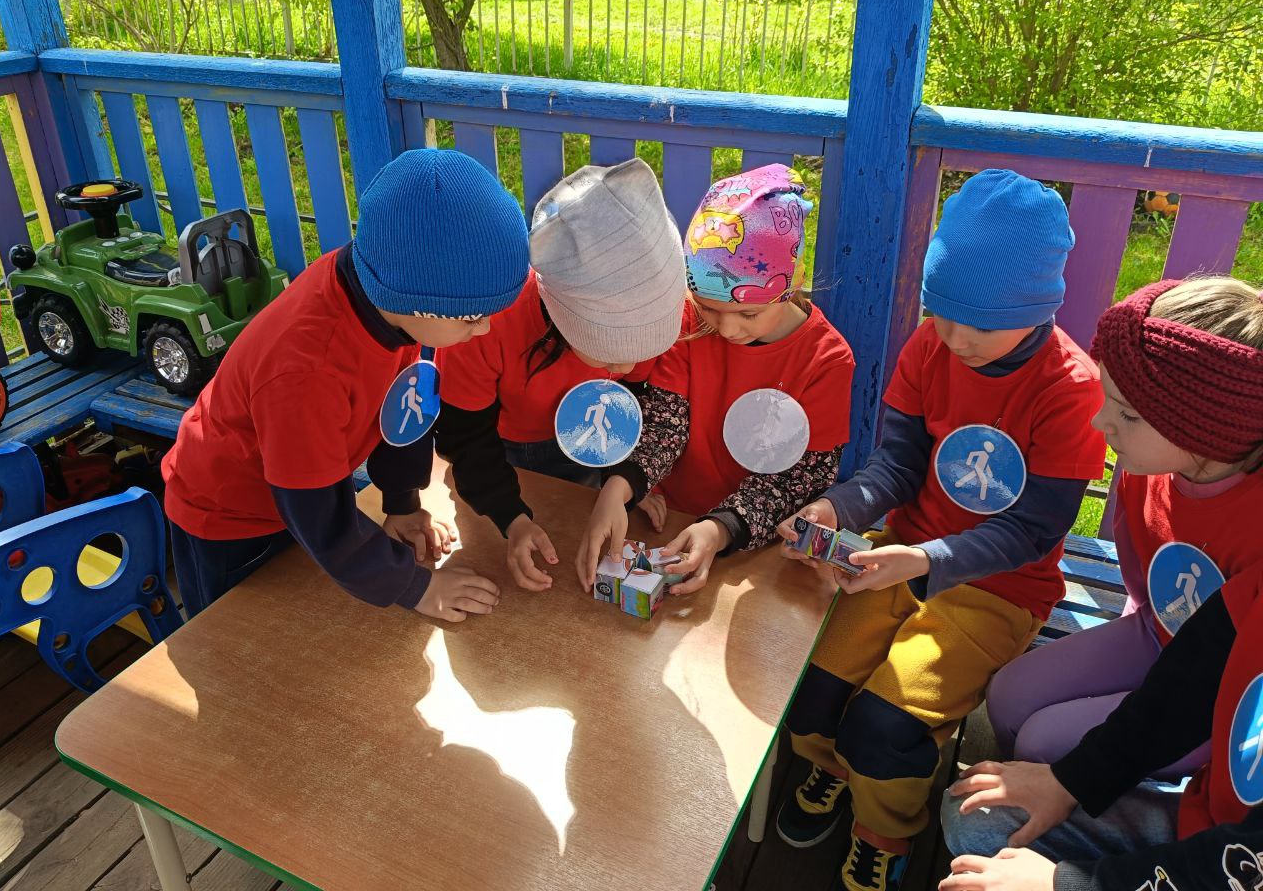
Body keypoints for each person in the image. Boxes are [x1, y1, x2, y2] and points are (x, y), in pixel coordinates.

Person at [773, 169, 1107, 891]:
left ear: (1038, 306)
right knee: (810, 693)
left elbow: (1033, 531)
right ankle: (839, 773)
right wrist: (838, 510)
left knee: (883, 727)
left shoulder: (1070, 388)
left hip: (1001, 589)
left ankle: (884, 829)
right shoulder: (931, 347)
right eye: (940, 313)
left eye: (978, 324)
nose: (954, 338)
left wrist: (923, 560)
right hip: (898, 558)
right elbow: (896, 466)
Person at [162, 149, 529, 623]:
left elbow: (403, 405)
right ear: (412, 298)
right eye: (471, 317)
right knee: (241, 645)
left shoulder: (383, 289)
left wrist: (402, 502)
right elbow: (320, 516)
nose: (484, 329)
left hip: (301, 488)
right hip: (233, 519)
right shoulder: (306, 370)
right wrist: (417, 586)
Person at [985, 277, 1263, 779]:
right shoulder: (1148, 470)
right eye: (1106, 397)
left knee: (1044, 743)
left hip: (1223, 694)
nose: (1100, 423)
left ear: (1206, 425)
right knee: (1007, 697)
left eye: (1128, 415)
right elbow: (1141, 579)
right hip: (1156, 633)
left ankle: (1077, 813)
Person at [575, 162, 856, 598]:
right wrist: (619, 486)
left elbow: (801, 478)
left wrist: (720, 528)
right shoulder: (689, 322)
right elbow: (664, 425)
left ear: (791, 284)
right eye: (708, 307)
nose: (725, 329)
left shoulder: (826, 360)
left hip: (754, 550)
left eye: (748, 313)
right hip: (667, 519)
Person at [434, 158, 686, 591]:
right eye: (610, 354)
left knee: (576, 535)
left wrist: (625, 482)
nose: (627, 369)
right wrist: (511, 518)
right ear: (566, 318)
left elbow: (632, 408)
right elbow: (465, 439)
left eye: (642, 351)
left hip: (587, 449)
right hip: (498, 455)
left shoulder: (641, 316)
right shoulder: (482, 325)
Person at [940, 566, 1263, 891]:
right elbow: (1188, 684)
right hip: (1204, 822)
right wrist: (1070, 781)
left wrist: (1067, 884)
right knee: (973, 814)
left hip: (1231, 872)